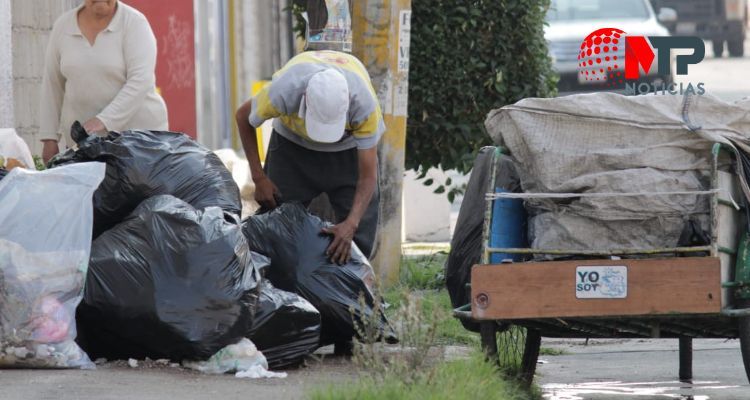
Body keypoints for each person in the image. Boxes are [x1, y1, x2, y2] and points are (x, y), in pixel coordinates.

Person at [235, 50, 385, 265]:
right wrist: (259, 178)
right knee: (275, 226)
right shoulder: (286, 88)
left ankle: (351, 294)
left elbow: (368, 177)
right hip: (292, 149)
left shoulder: (365, 106)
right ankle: (276, 290)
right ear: (304, 97)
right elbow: (243, 116)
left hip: (347, 154)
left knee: (357, 237)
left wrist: (351, 224)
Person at [39, 0, 168, 163]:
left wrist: (103, 120)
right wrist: (49, 138)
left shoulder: (135, 23)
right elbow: (53, 85)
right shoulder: (63, 26)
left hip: (139, 144)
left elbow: (140, 81)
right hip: (85, 147)